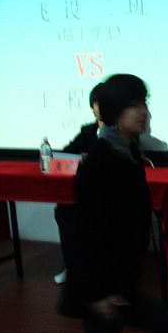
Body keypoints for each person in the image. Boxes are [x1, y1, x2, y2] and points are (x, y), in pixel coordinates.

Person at [58, 74, 168, 333]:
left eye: (144, 103)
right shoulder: (100, 161)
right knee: (164, 324)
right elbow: (86, 233)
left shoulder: (129, 153)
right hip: (100, 288)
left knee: (166, 324)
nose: (144, 111)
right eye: (133, 105)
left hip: (119, 283)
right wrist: (97, 293)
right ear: (114, 111)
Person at [54, 83, 105, 284]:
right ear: (92, 107)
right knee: (63, 210)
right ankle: (72, 266)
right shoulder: (87, 131)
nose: (101, 107)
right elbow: (67, 152)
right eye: (97, 103)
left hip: (110, 194)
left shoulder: (123, 132)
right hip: (86, 191)